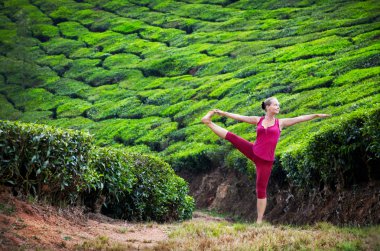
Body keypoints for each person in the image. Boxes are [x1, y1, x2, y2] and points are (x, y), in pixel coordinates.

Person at [201, 96, 331, 224]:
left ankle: (259, 220)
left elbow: (299, 118)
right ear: (268, 107)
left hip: (265, 161)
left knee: (261, 189)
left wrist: (316, 115)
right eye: (275, 105)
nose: (278, 107)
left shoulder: (281, 123)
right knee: (233, 137)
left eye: (278, 105)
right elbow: (239, 117)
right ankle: (208, 122)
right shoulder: (258, 120)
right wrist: (223, 113)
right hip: (253, 151)